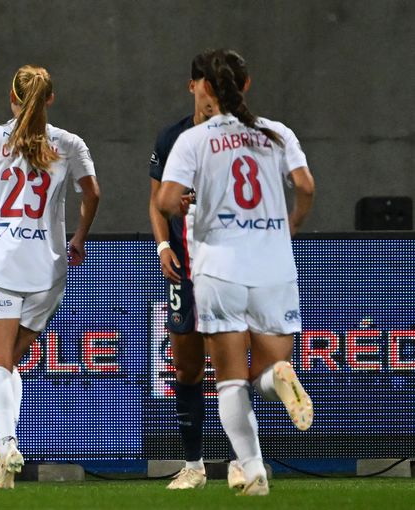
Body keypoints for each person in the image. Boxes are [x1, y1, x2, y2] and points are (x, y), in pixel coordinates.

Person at [157, 49, 315, 496]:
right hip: (273, 266)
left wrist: (186, 202)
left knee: (228, 380)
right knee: (265, 372)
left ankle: (254, 470)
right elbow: (305, 186)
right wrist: (292, 223)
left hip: (219, 267)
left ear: (205, 88)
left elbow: (166, 200)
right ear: (246, 85)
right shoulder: (277, 133)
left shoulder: (194, 139)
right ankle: (279, 378)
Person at [0, 65, 100, 489]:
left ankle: (7, 442)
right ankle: (1, 454)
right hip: (48, 270)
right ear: (50, 99)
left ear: (10, 98)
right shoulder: (69, 143)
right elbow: (93, 194)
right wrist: (79, 238)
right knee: (10, 361)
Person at [148, 50, 244, 490]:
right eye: (203, 84)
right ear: (192, 87)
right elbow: (156, 202)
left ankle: (244, 459)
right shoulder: (173, 138)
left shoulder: (239, 137)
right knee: (186, 368)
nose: (209, 93)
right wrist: (164, 243)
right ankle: (193, 464)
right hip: (184, 268)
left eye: (216, 84)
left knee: (231, 367)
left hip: (226, 266)